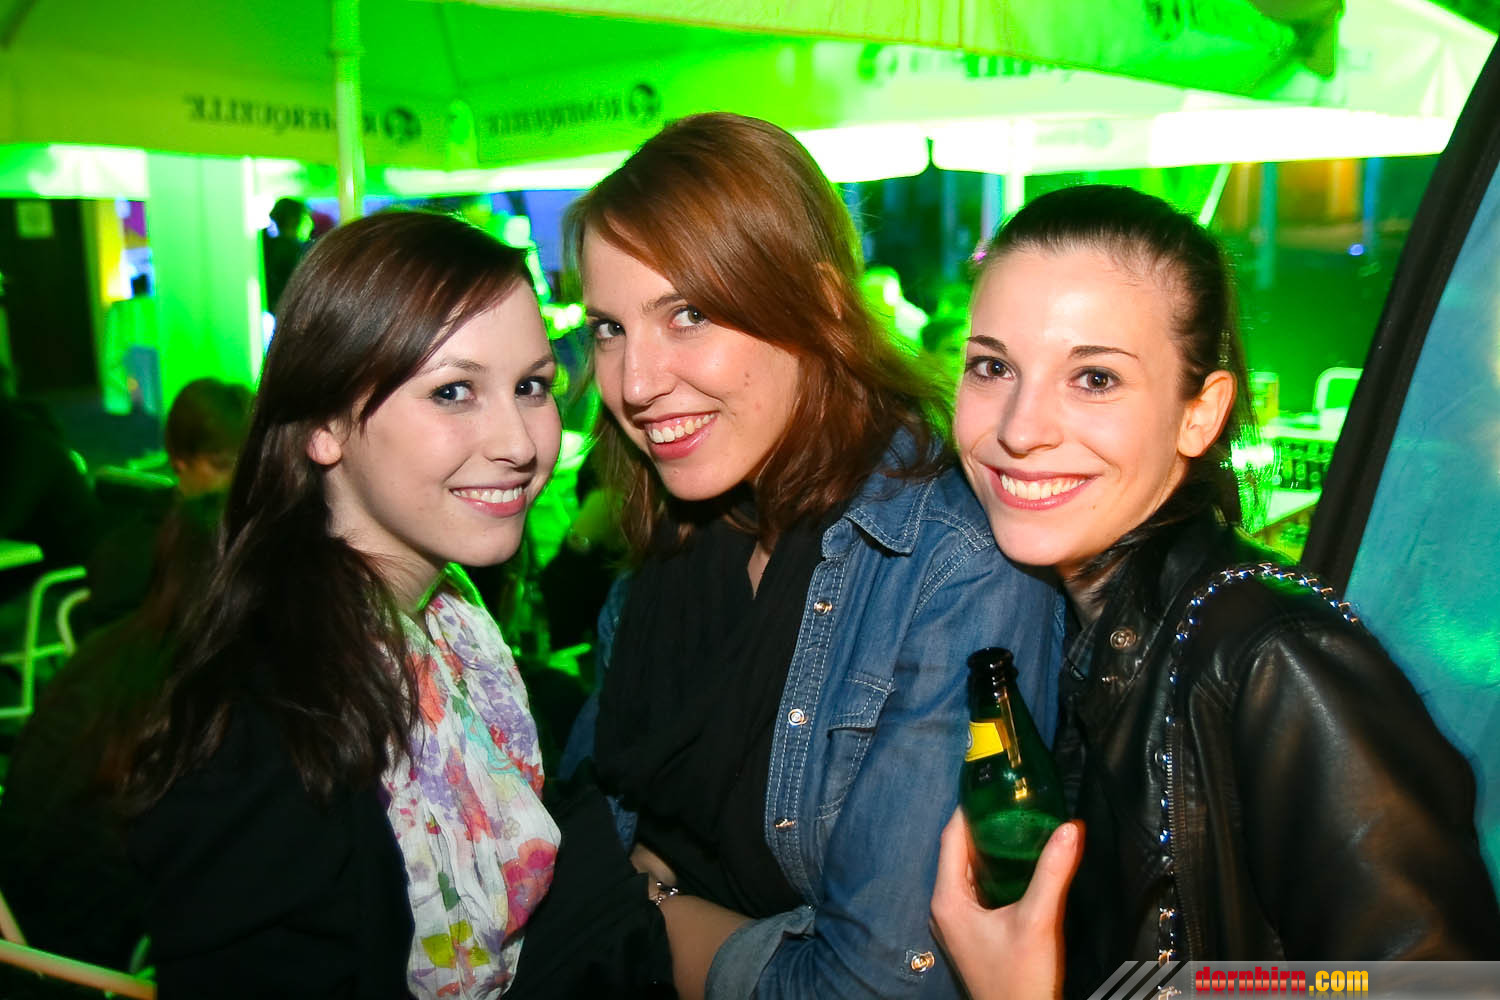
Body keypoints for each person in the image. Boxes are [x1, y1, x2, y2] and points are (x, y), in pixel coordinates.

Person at [934, 184, 1500, 999]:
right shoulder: (1042, 618)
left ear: (1200, 415)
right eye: (993, 367)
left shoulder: (1275, 657)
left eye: (1094, 378)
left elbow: (1441, 987)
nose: (1020, 429)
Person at [555, 112, 1062, 1000]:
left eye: (689, 314)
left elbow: (874, 985)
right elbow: (570, 841)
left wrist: (655, 906)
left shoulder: (951, 565)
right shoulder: (675, 539)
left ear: (821, 305)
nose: (633, 384)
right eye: (608, 328)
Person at [121, 209, 564, 999]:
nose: (520, 442)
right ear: (324, 425)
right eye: (454, 391)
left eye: (532, 387)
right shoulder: (265, 728)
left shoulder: (451, 625)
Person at [79, 377, 253, 636]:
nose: (238, 482)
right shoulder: (132, 554)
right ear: (179, 459)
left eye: (251, 467)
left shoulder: (265, 530)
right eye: (222, 466)